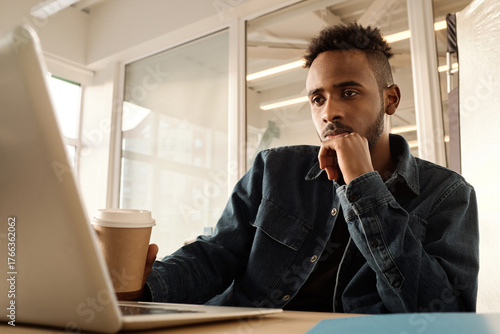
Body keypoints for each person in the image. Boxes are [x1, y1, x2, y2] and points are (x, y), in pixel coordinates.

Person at [129, 23, 479, 313]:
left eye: (350, 92)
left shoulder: (448, 193)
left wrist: (364, 186)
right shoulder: (274, 169)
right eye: (317, 98)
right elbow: (215, 257)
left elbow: (444, 316)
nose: (329, 112)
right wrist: (141, 284)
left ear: (390, 99)